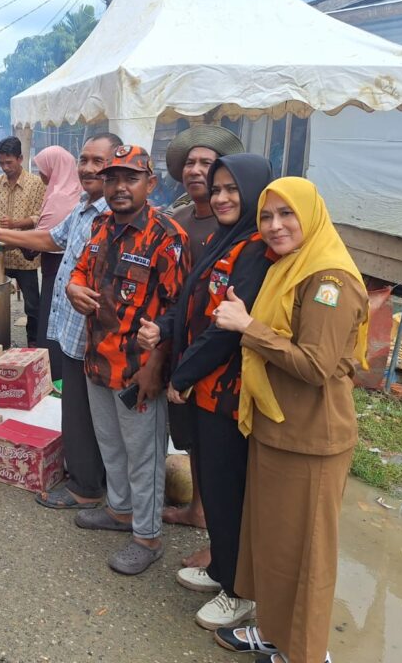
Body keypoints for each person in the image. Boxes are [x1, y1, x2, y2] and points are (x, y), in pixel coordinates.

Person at [212, 177, 368, 663]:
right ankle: (276, 631)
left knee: (307, 555)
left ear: (311, 215)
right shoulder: (291, 268)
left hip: (312, 437)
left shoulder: (329, 281)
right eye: (266, 216)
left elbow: (316, 366)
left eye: (287, 214)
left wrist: (249, 327)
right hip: (278, 427)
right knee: (275, 545)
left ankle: (306, 652)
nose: (275, 226)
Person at [138, 154, 274, 630]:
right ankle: (221, 569)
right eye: (217, 190)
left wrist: (182, 375)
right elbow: (195, 298)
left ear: (256, 190)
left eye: (231, 189)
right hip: (206, 388)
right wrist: (165, 328)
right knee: (214, 486)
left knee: (228, 489)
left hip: (228, 392)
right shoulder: (224, 239)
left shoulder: (257, 250)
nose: (221, 197)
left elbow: (226, 331)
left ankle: (239, 593)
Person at [67, 145, 190, 576]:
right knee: (111, 445)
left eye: (130, 178)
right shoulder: (101, 226)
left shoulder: (167, 237)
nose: (119, 187)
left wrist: (156, 365)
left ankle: (148, 535)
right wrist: (72, 289)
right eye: (113, 178)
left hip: (138, 369)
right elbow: (81, 271)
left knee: (144, 454)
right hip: (98, 359)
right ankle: (120, 511)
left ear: (150, 184)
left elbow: (178, 311)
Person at [0, 133, 120, 510]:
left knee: (97, 414)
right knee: (76, 408)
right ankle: (86, 482)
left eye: (98, 161)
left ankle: (93, 488)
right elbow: (51, 239)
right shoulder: (84, 207)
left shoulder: (116, 214)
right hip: (72, 330)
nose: (88, 168)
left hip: (97, 333)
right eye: (84, 160)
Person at [161, 125, 243, 563]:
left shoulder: (233, 222)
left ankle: (222, 542)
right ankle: (198, 510)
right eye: (190, 162)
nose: (196, 170)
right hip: (179, 337)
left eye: (206, 164)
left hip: (216, 347)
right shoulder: (178, 217)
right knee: (189, 434)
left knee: (218, 444)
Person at [0, 136, 46, 345]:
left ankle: (33, 344)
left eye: (9, 162)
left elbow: (40, 216)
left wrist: (16, 224)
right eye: (1, 163)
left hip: (23, 254)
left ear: (20, 158)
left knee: (32, 305)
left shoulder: (36, 183)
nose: (5, 167)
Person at [32, 145, 84, 382]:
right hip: (68, 274)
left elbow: (45, 239)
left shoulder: (60, 197)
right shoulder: (75, 192)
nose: (41, 174)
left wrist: (7, 236)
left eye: (43, 169)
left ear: (54, 168)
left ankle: (56, 380)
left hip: (59, 274)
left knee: (53, 329)